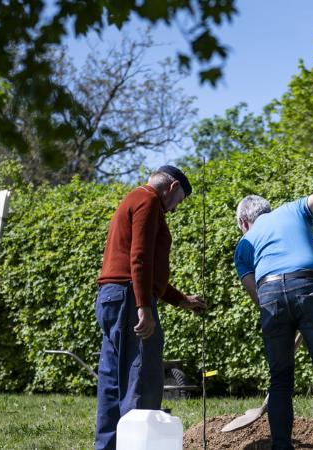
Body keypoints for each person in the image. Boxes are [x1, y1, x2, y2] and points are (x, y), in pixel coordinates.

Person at [94, 165, 206, 450]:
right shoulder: (149, 201)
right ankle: (138, 445)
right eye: (178, 201)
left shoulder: (134, 198)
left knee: (112, 381)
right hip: (130, 297)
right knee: (142, 375)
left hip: (112, 297)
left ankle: (107, 446)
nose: (175, 208)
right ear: (171, 189)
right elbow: (140, 257)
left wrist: (181, 299)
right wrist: (143, 306)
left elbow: (147, 269)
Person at [233, 192, 313, 450]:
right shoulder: (292, 210)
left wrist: (283, 312)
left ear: (244, 222)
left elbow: (257, 297)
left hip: (270, 296)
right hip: (308, 286)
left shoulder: (243, 245)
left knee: (280, 378)